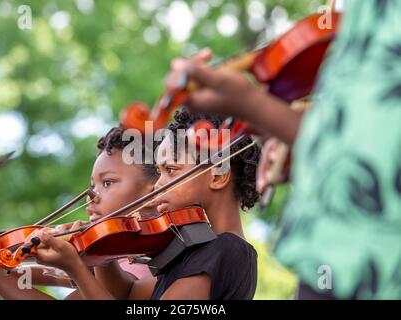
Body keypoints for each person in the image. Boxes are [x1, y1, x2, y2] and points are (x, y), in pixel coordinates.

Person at [163, 0, 401, 299]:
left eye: (170, 169)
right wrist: (279, 125)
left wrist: (253, 106)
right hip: (328, 247)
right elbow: (356, 131)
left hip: (377, 256)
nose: (159, 184)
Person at [15, 110, 260, 300]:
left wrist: (76, 269)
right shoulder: (191, 254)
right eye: (158, 171)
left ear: (218, 175)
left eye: (171, 170)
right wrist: (101, 255)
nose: (157, 185)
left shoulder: (226, 249)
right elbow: (127, 295)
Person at [0, 126, 157, 299]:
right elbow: (36, 275)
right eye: (93, 185)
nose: (91, 196)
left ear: (156, 185)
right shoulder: (114, 257)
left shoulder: (160, 263)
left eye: (107, 182)